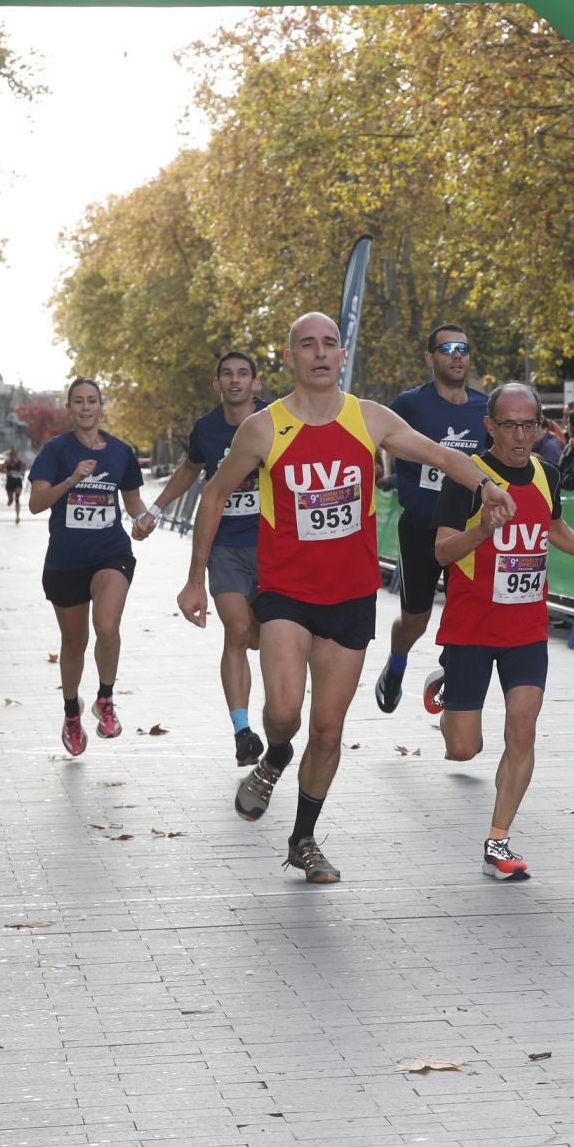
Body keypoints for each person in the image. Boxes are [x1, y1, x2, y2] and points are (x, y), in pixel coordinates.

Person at [177, 312, 516, 885]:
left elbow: (441, 456)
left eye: (329, 344)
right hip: (285, 591)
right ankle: (275, 754)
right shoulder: (264, 428)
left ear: (341, 355)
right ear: (289, 358)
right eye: (306, 345)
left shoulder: (370, 419)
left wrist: (487, 486)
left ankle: (304, 838)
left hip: (352, 597)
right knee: (284, 712)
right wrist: (193, 578)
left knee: (329, 731)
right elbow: (212, 496)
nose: (319, 353)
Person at [428, 382, 574, 879]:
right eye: (509, 424)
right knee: (463, 749)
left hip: (526, 626)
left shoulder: (546, 474)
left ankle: (499, 840)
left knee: (523, 732)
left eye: (529, 424)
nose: (520, 434)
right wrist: (484, 529)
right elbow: (442, 551)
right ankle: (445, 684)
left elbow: (551, 524)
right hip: (470, 626)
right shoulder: (470, 479)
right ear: (490, 426)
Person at [134, 350, 270, 766]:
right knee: (237, 630)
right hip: (225, 546)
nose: (234, 381)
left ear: (255, 383)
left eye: (243, 374)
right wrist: (154, 510)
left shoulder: (276, 420)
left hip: (273, 545)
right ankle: (243, 731)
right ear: (217, 384)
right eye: (227, 375)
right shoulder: (206, 429)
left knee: (263, 639)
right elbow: (189, 470)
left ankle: (276, 717)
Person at [372, 325, 489, 713]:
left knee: (468, 614)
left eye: (464, 349)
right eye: (447, 349)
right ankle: (396, 665)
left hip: (467, 530)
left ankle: (449, 673)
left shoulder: (485, 409)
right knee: (415, 621)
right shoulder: (409, 406)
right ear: (430, 358)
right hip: (421, 528)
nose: (457, 355)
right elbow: (373, 440)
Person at [29, 378, 147, 756]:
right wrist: (71, 479)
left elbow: (133, 503)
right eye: (78, 401)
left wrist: (144, 520)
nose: (85, 407)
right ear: (69, 408)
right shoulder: (56, 450)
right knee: (74, 642)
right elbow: (35, 503)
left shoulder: (120, 452)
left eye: (91, 401)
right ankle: (71, 713)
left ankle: (106, 699)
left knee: (108, 625)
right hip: (65, 560)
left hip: (110, 552)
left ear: (101, 406)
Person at [3, 446, 27, 523]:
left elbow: (24, 468)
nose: (16, 454)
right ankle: (10, 500)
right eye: (15, 453)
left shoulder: (19, 461)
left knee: (17, 498)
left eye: (17, 452)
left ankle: (17, 517)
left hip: (17, 481)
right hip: (10, 482)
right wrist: (8, 472)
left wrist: (22, 472)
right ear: (12, 453)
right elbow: (1, 469)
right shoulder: (8, 461)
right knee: (11, 501)